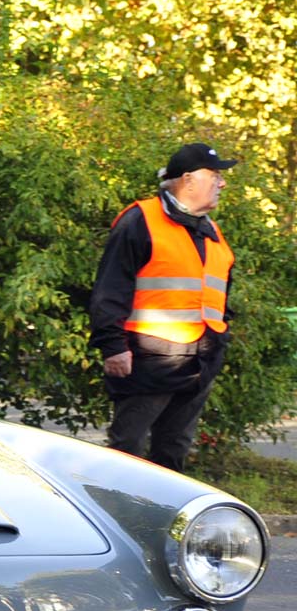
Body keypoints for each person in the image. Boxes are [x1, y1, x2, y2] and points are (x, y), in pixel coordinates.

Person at [89, 142, 237, 472]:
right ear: (188, 179)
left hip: (200, 361)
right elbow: (110, 288)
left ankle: (163, 521)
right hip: (148, 362)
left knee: (173, 450)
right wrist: (113, 346)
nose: (222, 183)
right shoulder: (140, 220)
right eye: (214, 175)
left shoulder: (210, 230)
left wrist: (219, 343)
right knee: (129, 449)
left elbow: (217, 293)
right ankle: (119, 516)